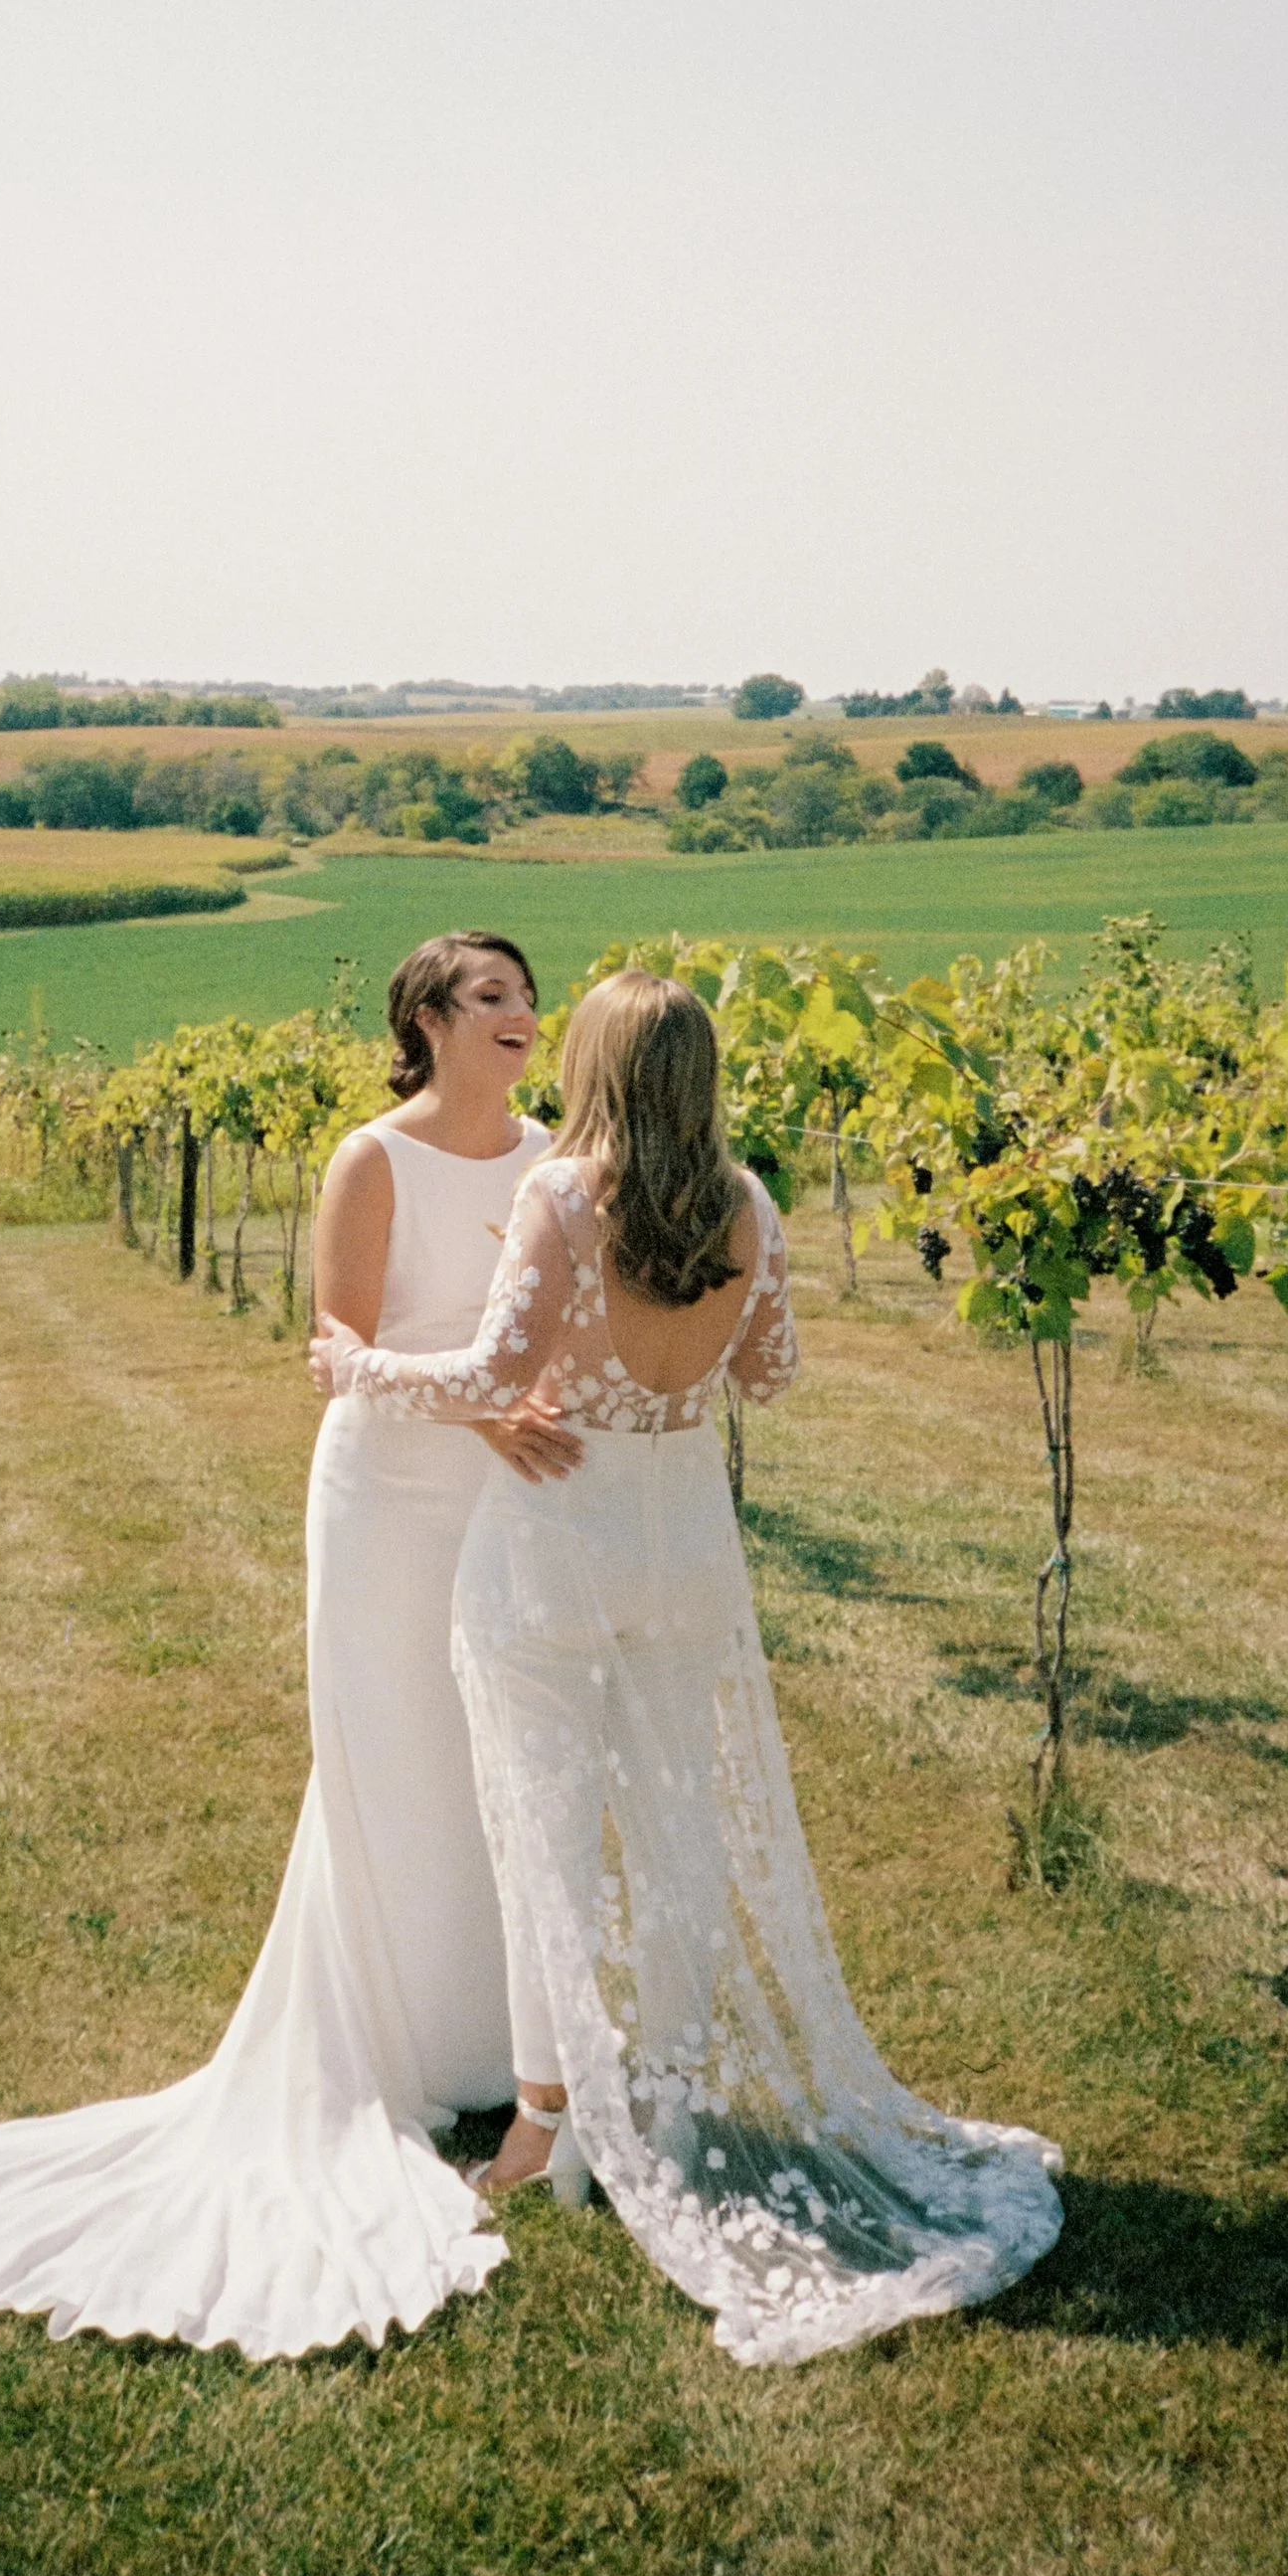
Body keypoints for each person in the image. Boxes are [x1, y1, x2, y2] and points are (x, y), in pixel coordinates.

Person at [0, 931, 571, 2358]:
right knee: (389, 1745)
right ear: (429, 1021)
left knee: (490, 1754)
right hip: (390, 1491)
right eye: (494, 996)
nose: (525, 1014)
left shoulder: (551, 1159)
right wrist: (485, 1411)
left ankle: (495, 2042)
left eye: (528, 993)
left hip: (507, 1501)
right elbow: (335, 1344)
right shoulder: (370, 1157)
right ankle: (392, 2040)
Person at [312, 965, 1065, 2366]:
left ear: (594, 1061)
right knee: (671, 1824)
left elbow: (490, 1370)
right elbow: (769, 1374)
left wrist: (358, 1368)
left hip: (550, 1547)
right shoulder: (753, 1204)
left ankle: (548, 2119)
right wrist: (685, 1361)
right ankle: (655, 2093)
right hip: (684, 1547)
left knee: (539, 1825)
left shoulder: (562, 1196)